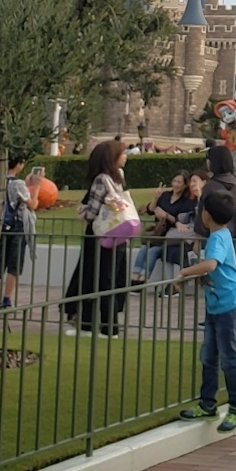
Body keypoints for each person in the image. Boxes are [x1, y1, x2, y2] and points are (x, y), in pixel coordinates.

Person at [175, 188, 236, 432]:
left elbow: (210, 265)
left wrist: (185, 272)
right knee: (209, 355)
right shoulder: (220, 235)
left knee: (228, 357)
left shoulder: (218, 238)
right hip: (217, 306)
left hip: (229, 304)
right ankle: (207, 404)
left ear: (206, 214)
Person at [62, 139, 131, 338]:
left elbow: (92, 212)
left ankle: (97, 326)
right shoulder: (117, 178)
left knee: (94, 278)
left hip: (101, 235)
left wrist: (83, 212)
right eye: (122, 153)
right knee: (108, 280)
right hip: (118, 234)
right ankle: (106, 326)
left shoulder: (102, 179)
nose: (125, 156)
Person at [0, 157, 43, 311]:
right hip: (16, 228)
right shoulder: (18, 184)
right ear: (19, 164)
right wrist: (37, 187)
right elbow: (33, 204)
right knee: (14, 266)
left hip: (0, 228)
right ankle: (6, 299)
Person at [131, 171, 197, 285]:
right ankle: (134, 277)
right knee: (143, 249)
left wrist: (166, 215)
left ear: (185, 185)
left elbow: (181, 221)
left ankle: (142, 280)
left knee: (152, 251)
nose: (176, 184)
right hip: (157, 234)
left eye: (179, 182)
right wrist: (156, 198)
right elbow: (151, 210)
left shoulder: (186, 202)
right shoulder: (165, 195)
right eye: (174, 181)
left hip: (170, 237)